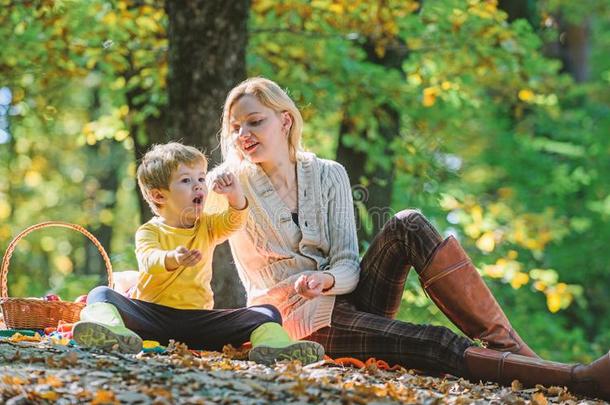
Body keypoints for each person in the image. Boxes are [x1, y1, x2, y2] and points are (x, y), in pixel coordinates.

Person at [210, 77, 609, 400]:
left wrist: (329, 280)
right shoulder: (231, 185)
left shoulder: (328, 173)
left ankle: (512, 350)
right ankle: (577, 379)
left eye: (255, 121)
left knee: (408, 222)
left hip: (346, 299)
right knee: (434, 341)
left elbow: (348, 262)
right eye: (236, 127)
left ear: (284, 121)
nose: (243, 133)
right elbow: (202, 222)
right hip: (301, 323)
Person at [72, 142, 324, 366]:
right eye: (186, 180)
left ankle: (275, 349)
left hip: (199, 323)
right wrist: (173, 257)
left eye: (201, 178)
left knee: (267, 312)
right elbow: (149, 260)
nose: (198, 186)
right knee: (101, 294)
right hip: (152, 318)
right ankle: (113, 334)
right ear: (159, 195)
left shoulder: (206, 225)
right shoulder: (149, 231)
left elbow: (233, 221)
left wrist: (235, 195)